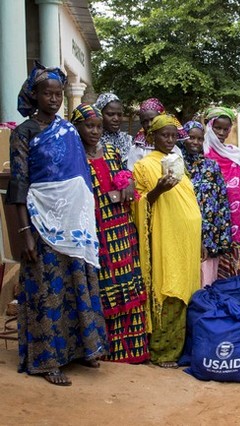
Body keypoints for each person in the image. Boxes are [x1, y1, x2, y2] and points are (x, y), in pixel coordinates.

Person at [8, 63, 107, 385]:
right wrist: (25, 233)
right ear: (34, 95)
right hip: (41, 219)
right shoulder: (24, 132)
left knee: (78, 281)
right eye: (47, 94)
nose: (53, 99)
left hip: (74, 222)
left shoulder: (67, 130)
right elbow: (19, 183)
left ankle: (82, 349)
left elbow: (81, 175)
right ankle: (46, 360)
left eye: (58, 94)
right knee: (47, 289)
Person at [70, 103, 150, 364]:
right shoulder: (74, 156)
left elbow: (125, 175)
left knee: (128, 279)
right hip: (94, 230)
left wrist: (127, 183)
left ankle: (133, 352)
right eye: (89, 126)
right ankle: (104, 349)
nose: (94, 132)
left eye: (98, 127)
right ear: (77, 127)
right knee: (104, 283)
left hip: (121, 226)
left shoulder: (113, 150)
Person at [132, 114, 201, 368]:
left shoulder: (177, 162)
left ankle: (182, 349)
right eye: (164, 135)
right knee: (168, 287)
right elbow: (138, 204)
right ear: (152, 137)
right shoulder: (143, 166)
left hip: (187, 240)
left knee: (187, 290)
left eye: (173, 135)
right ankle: (162, 352)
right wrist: (159, 190)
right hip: (165, 237)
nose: (170, 140)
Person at [182, 120, 232, 286]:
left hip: (210, 233)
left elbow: (222, 201)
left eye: (200, 139)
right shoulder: (176, 165)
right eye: (191, 138)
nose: (195, 142)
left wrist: (223, 238)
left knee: (207, 281)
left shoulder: (211, 166)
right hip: (185, 231)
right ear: (182, 138)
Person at [203, 107, 240, 278]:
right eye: (218, 128)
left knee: (235, 254)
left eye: (226, 129)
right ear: (209, 126)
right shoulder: (203, 152)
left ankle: (236, 290)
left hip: (236, 215)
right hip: (212, 216)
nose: (222, 133)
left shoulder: (235, 153)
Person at [128, 98, 184, 170]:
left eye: (153, 119)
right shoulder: (138, 149)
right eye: (145, 121)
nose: (149, 124)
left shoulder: (174, 148)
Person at [95, 93, 133, 168]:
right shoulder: (93, 140)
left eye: (119, 115)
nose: (116, 119)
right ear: (99, 114)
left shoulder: (128, 140)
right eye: (110, 114)